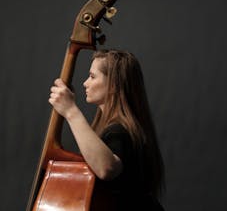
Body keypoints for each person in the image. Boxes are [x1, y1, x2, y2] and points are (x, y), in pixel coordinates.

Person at [49, 49, 165, 210]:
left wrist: (71, 112)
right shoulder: (120, 128)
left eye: (92, 76)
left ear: (113, 85)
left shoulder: (120, 131)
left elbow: (106, 167)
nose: (85, 83)